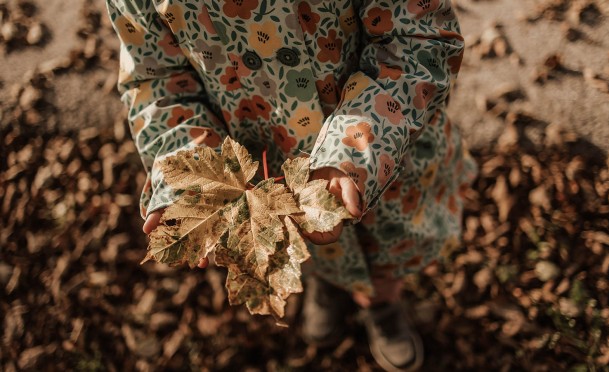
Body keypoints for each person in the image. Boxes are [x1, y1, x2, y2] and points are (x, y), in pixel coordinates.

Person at [106, 0, 477, 370]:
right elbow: (156, 82)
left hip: (382, 157)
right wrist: (189, 170)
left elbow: (419, 38)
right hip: (271, 176)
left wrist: (356, 146)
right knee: (309, 256)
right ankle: (329, 288)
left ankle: (381, 307)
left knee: (386, 262)